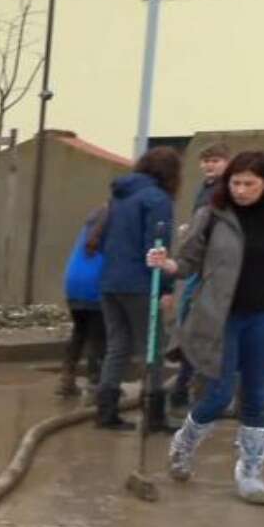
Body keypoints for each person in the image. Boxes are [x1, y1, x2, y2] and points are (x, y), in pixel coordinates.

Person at [157, 151, 264, 505]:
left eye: (249, 183)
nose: (241, 189)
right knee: (218, 395)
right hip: (221, 318)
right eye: (235, 182)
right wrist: (167, 263)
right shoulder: (212, 217)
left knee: (258, 396)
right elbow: (187, 263)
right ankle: (184, 445)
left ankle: (250, 472)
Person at [94, 147, 181, 432]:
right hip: (140, 283)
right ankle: (154, 415)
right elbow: (156, 246)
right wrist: (167, 286)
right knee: (153, 347)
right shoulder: (157, 199)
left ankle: (105, 412)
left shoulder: (120, 196)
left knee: (117, 346)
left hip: (110, 282)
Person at [169, 144, 231, 411]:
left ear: (227, 162)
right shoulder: (205, 189)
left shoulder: (226, 191)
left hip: (216, 271)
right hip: (199, 269)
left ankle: (192, 388)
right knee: (193, 327)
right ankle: (185, 388)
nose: (209, 165)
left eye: (215, 160)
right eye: (205, 161)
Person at [60, 206, 107, 398]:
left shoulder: (88, 228)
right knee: (98, 338)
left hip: (73, 284)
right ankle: (96, 383)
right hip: (94, 286)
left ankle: (67, 378)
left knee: (79, 332)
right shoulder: (109, 231)